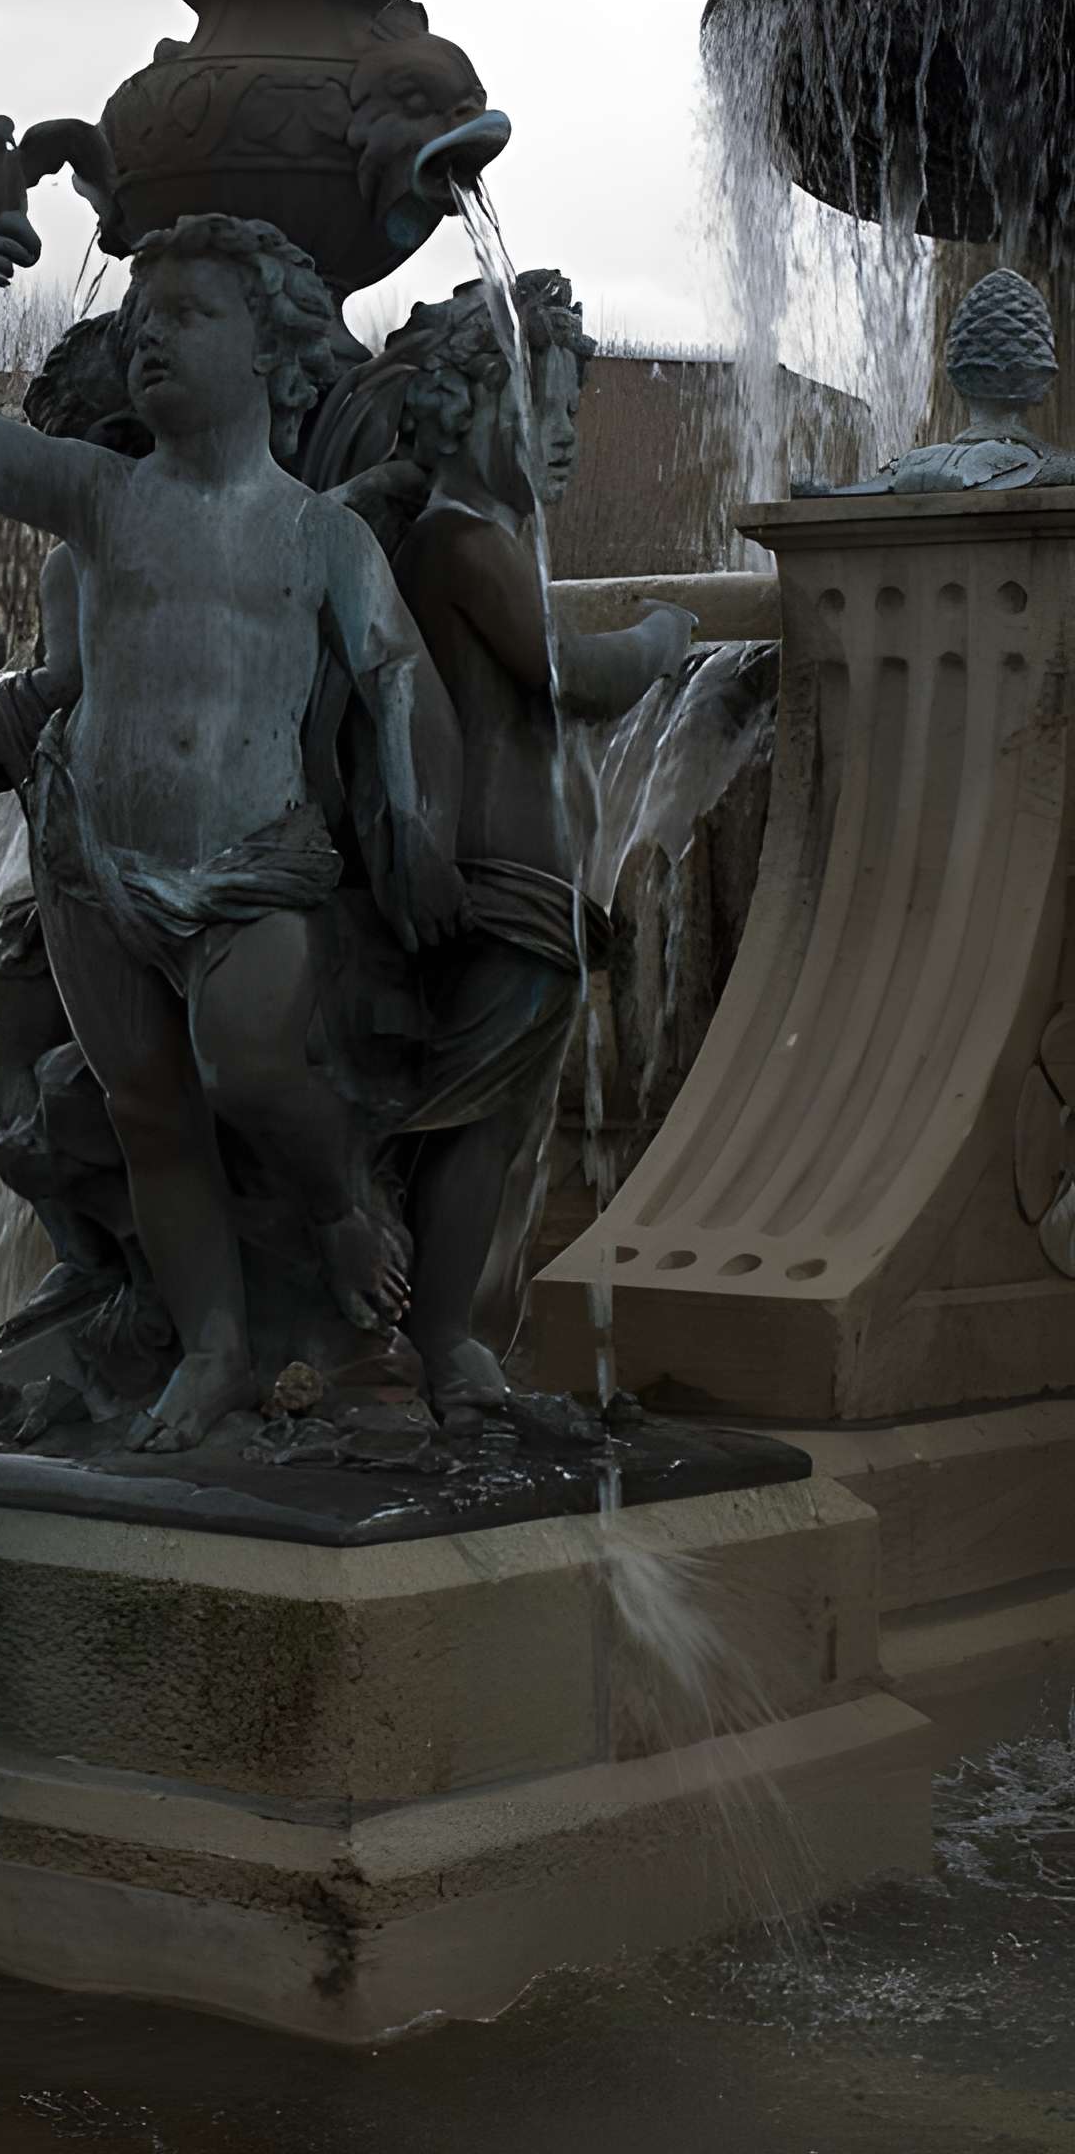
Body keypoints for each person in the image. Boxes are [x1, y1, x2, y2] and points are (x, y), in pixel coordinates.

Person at [0, 205, 465, 1451]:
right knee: (150, 1110)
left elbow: (397, 678)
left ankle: (340, 1205)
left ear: (271, 352)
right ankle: (210, 1346)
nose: (151, 340)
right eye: (140, 321)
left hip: (255, 862)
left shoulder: (321, 532)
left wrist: (420, 822)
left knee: (251, 1063)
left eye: (190, 317)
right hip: (93, 869)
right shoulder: (103, 499)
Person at [383, 276, 694, 1429]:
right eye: (544, 411)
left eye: (573, 414)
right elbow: (569, 673)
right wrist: (661, 637)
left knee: (499, 1126)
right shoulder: (462, 542)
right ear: (464, 411)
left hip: (518, 884)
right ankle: (441, 1340)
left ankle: (450, 1331)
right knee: (475, 1123)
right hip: (500, 884)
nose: (565, 439)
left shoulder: (473, 537)